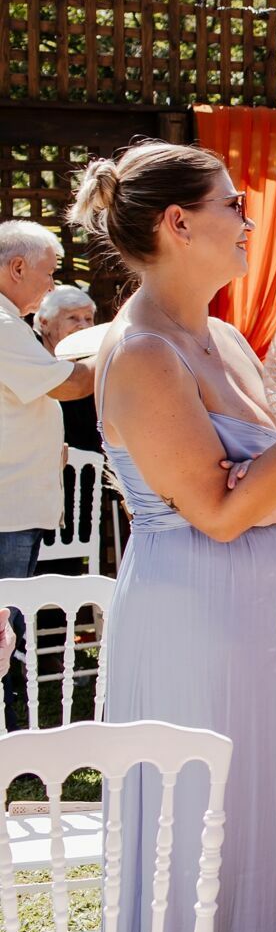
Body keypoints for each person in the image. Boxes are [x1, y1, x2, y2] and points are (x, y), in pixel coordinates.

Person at [67, 141, 276, 932]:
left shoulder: (222, 338)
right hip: (194, 625)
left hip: (268, 628)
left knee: (275, 835)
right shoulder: (137, 354)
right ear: (179, 224)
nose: (248, 221)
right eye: (235, 204)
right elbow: (222, 509)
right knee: (202, 844)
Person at [0, 222, 95, 730]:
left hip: (14, 497)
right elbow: (66, 384)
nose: (51, 285)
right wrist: (127, 356)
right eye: (48, 272)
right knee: (2, 624)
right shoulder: (3, 323)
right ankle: (8, 732)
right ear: (17, 268)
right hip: (7, 504)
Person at [34, 283, 99, 452]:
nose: (84, 326)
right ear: (44, 323)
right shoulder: (32, 360)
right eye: (73, 318)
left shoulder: (90, 364)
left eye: (88, 318)